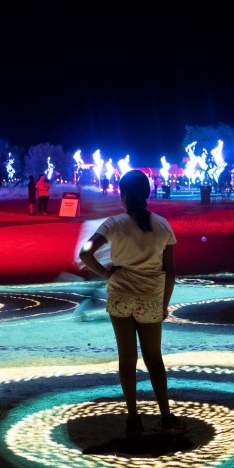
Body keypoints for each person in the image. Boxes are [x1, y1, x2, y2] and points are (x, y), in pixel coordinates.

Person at [79, 169, 184, 437]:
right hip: (150, 297)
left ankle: (133, 418)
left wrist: (105, 273)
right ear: (147, 194)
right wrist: (164, 304)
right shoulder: (162, 226)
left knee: (127, 359)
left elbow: (86, 252)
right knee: (154, 359)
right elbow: (170, 272)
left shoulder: (114, 224)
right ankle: (166, 416)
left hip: (121, 296)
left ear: (122, 196)